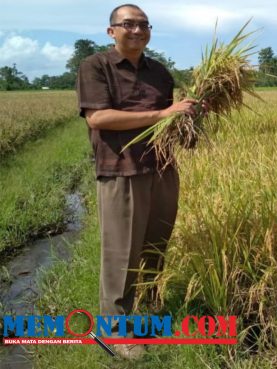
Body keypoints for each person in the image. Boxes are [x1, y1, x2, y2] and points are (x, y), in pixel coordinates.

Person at [76, 3, 198, 359]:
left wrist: (188, 121)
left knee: (155, 248)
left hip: (161, 169)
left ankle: (147, 317)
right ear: (111, 31)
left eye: (144, 24)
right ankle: (115, 331)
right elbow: (98, 117)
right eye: (128, 24)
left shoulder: (159, 72)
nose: (138, 30)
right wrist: (163, 113)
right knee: (121, 254)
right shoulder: (96, 66)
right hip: (121, 170)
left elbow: (167, 125)